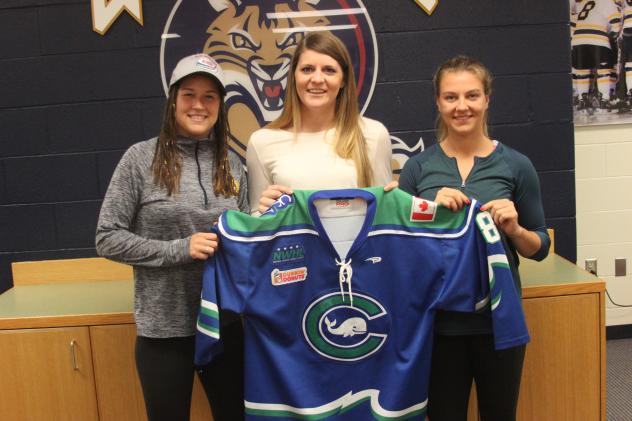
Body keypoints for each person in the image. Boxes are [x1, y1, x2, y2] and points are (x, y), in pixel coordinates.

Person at [95, 53, 248, 421]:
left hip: (223, 325)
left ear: (220, 106)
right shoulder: (139, 159)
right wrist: (181, 248)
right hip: (164, 332)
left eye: (210, 96)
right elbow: (107, 237)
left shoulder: (234, 164)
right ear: (173, 101)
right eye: (189, 95)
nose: (199, 105)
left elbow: (244, 239)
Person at [399, 55, 551, 421]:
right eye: (451, 97)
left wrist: (514, 229)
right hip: (438, 323)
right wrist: (428, 210)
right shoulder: (418, 168)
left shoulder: (516, 165)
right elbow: (400, 247)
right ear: (438, 102)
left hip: (498, 322)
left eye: (471, 95)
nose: (461, 106)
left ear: (487, 99)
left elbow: (540, 248)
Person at [246, 31, 393, 213]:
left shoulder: (373, 134)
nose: (316, 79)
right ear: (294, 76)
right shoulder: (262, 142)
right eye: (307, 69)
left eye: (329, 70)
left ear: (343, 80)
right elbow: (258, 224)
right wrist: (262, 212)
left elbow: (385, 216)